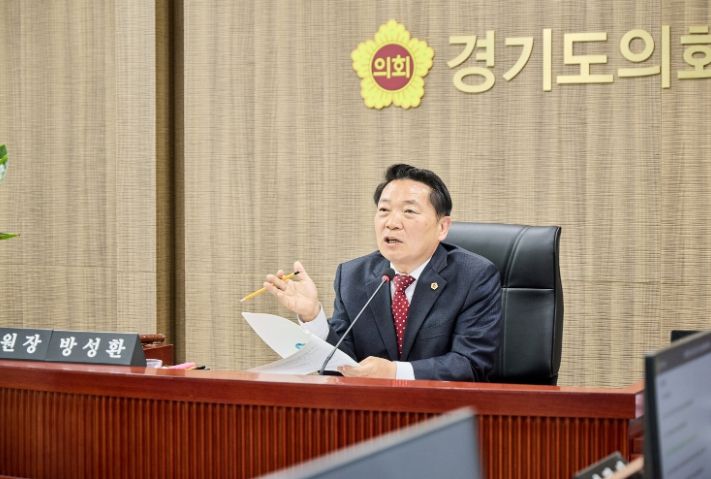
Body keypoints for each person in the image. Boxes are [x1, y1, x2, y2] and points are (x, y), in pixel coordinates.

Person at [264, 164, 502, 381]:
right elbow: (340, 366)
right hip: (371, 410)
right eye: (384, 210)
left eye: (409, 211)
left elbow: (471, 364)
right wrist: (312, 316)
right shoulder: (353, 276)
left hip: (444, 408)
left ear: (442, 227)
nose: (391, 223)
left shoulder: (473, 276)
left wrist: (395, 372)